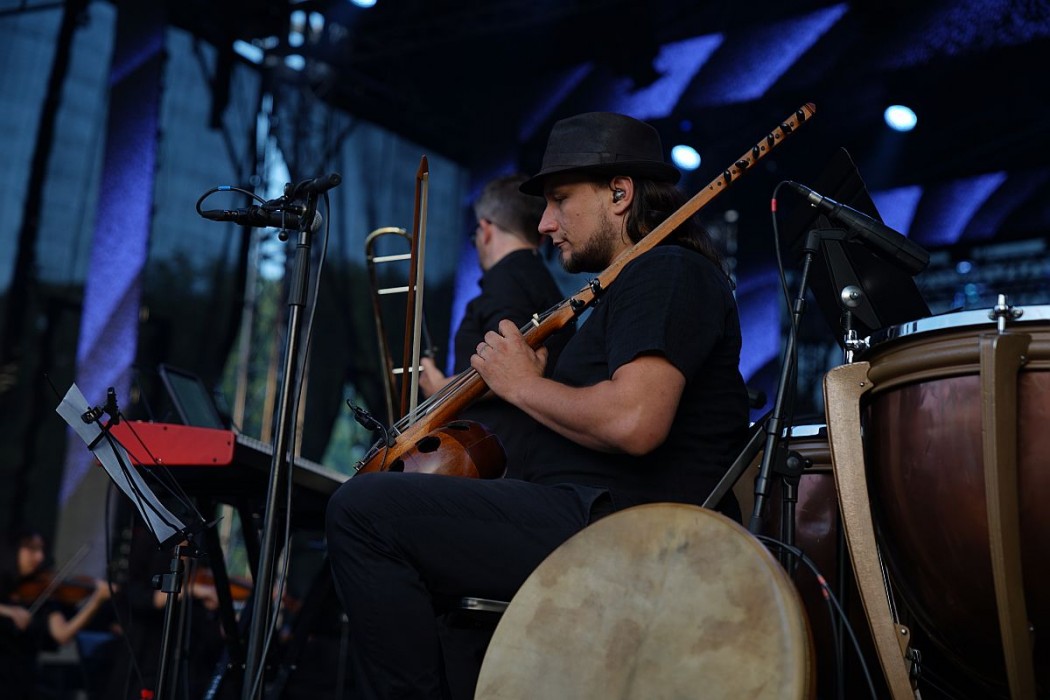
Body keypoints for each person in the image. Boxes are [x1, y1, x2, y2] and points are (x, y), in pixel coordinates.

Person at [326, 111, 750, 699]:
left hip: (623, 526)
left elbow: (635, 422)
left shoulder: (667, 269)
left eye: (560, 200)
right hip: (590, 514)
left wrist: (521, 384)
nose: (546, 223)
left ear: (620, 194)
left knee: (363, 510)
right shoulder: (635, 283)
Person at [418, 173, 571, 477]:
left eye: (474, 236)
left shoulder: (507, 281)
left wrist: (441, 389)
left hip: (497, 458)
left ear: (485, 230)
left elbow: (508, 363)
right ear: (540, 237)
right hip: (522, 455)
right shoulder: (542, 284)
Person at [0, 530, 113, 699]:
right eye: (32, 549)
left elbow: (63, 634)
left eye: (41, 550)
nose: (39, 557)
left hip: (17, 680)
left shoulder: (44, 595)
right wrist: (8, 610)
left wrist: (96, 601)